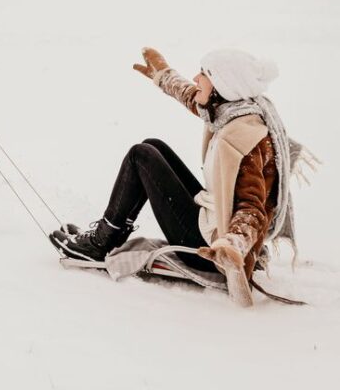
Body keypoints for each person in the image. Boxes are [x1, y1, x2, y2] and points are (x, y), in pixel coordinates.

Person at [50, 47, 301, 306]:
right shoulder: (232, 110)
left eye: (204, 74)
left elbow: (253, 208)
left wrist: (232, 245)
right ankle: (107, 235)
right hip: (211, 221)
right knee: (153, 145)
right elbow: (195, 98)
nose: (196, 78)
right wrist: (163, 74)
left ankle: (101, 243)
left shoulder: (245, 138)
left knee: (142, 155)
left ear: (222, 85)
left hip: (212, 250)